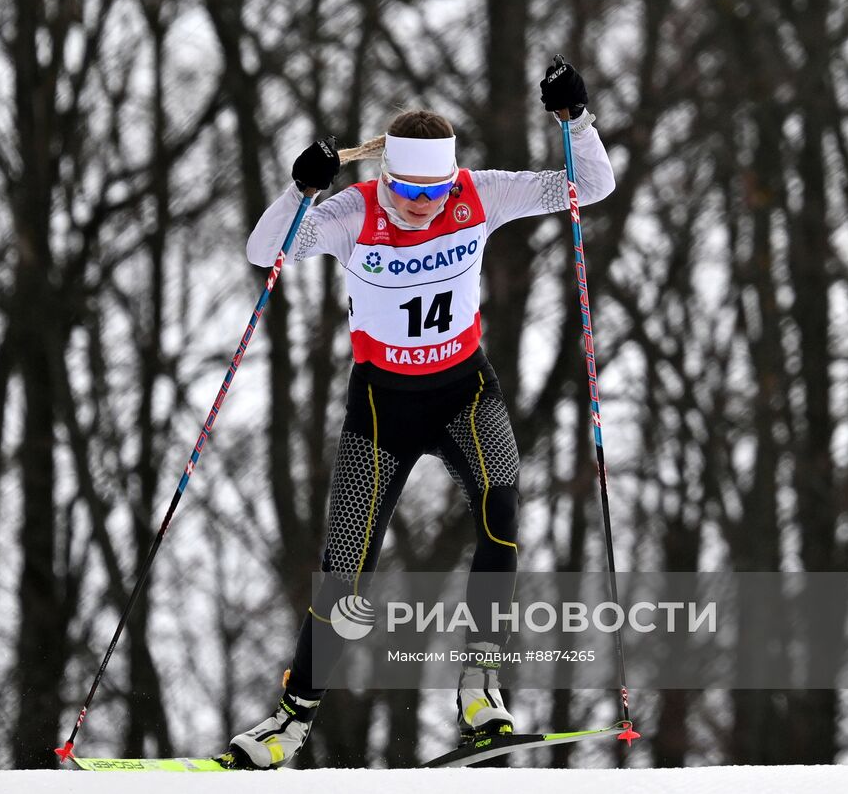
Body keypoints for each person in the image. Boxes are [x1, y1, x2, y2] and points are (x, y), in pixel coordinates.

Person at [229, 62, 615, 768]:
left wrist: (576, 120)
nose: (421, 206)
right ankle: (291, 719)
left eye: (434, 191)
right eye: (407, 191)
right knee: (345, 567)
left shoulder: (480, 194)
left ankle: (480, 688)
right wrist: (301, 191)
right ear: (386, 181)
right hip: (382, 405)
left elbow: (591, 185)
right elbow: (265, 251)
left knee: (501, 504)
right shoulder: (353, 212)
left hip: (465, 391)